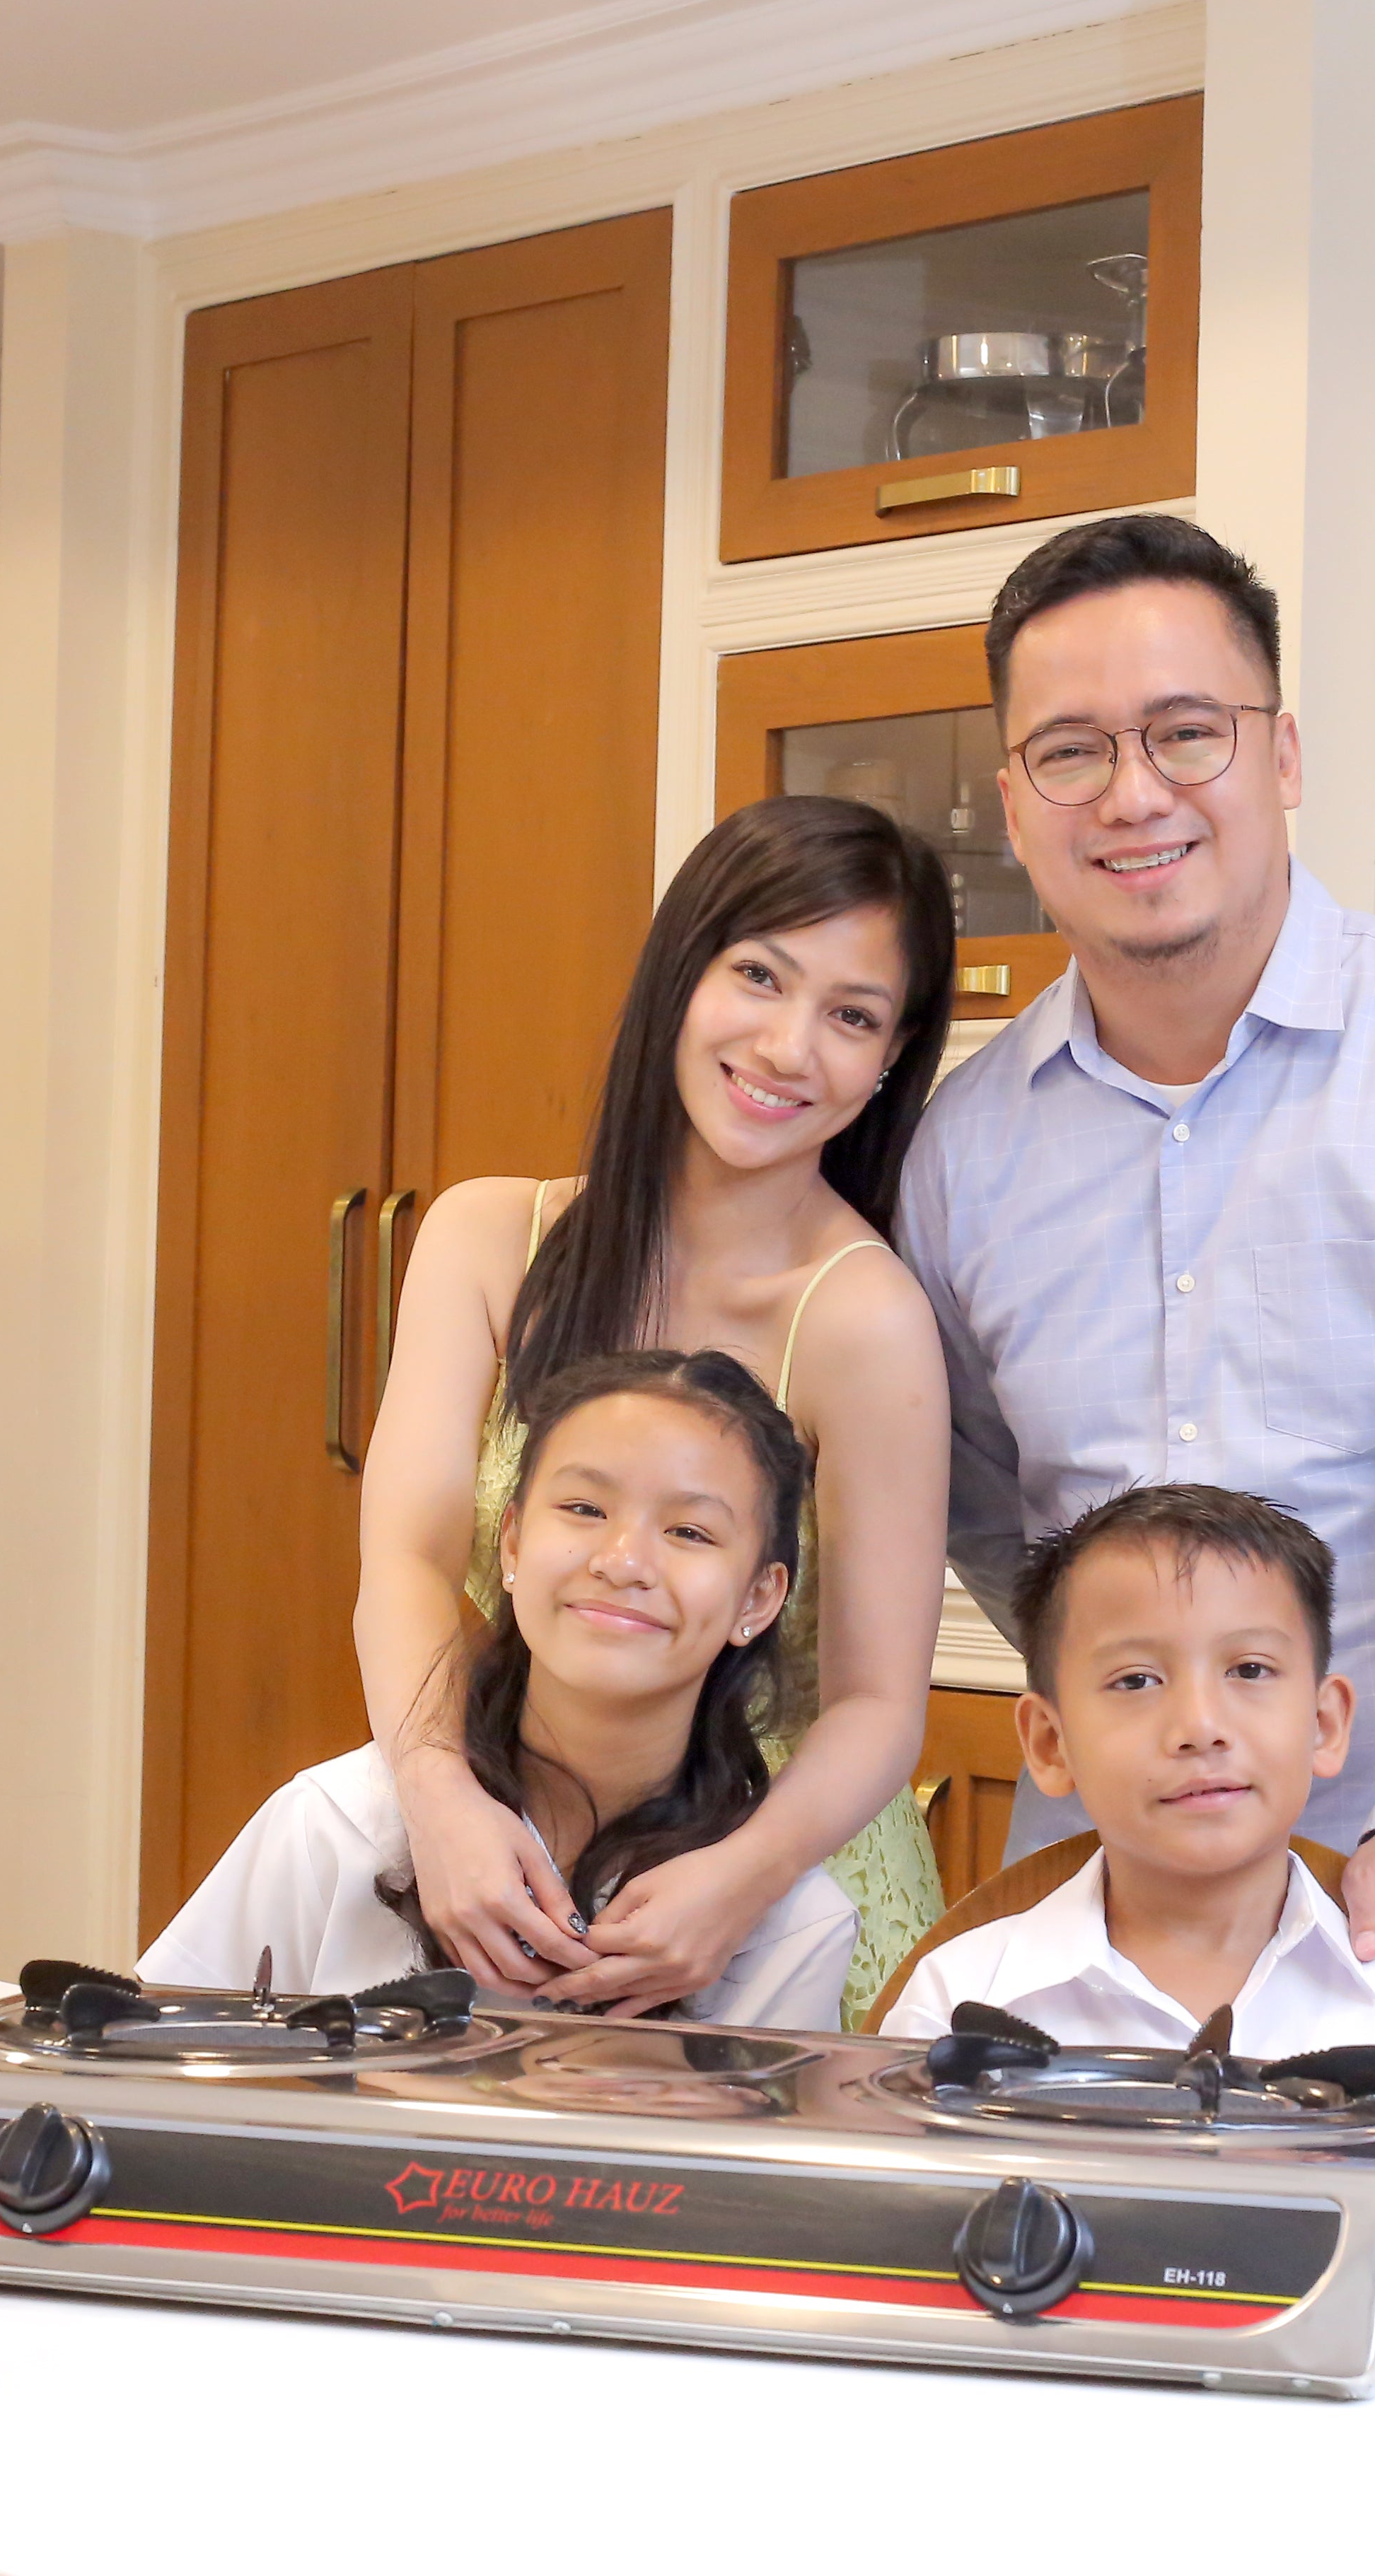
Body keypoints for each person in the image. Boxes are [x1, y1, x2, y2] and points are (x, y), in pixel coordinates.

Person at [894, 514, 1375, 2304]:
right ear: (1015, 806)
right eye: (1072, 751)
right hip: (1092, 1969)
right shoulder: (964, 1147)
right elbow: (993, 1518)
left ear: (1282, 754)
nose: (1134, 792)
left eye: (1187, 732)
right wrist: (1134, 1711)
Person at [353, 797, 956, 2027]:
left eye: (850, 1016)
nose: (788, 1047)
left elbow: (879, 1704)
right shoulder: (483, 1238)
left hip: (779, 1893)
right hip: (509, 1856)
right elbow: (405, 1562)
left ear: (892, 1056)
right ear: (682, 971)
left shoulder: (865, 1317)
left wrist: (741, 1880)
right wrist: (441, 1797)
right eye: (758, 976)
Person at [878, 1484, 1375, 2304]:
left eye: (1249, 1670)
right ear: (1050, 1745)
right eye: (1136, 1680)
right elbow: (892, 2278)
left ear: (1324, 1724)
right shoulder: (957, 2001)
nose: (1200, 1725)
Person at [144, 1350, 860, 2029]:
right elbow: (147, 2071)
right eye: (584, 1509)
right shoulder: (337, 1826)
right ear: (512, 1544)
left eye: (689, 1531)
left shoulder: (793, 1927)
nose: (622, 1562)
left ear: (759, 1599)